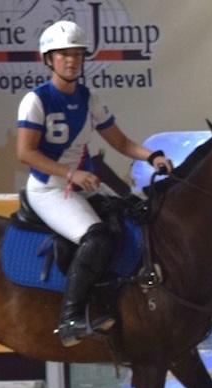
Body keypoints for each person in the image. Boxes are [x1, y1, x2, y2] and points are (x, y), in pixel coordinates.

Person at [16, 20, 174, 347]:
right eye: (62, 55)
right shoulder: (37, 100)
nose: (71, 60)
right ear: (48, 59)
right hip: (49, 189)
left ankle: (111, 303)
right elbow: (25, 153)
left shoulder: (89, 99)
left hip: (80, 187)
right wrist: (70, 174)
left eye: (77, 54)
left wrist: (152, 155)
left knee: (131, 218)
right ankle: (71, 317)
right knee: (98, 236)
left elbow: (121, 142)